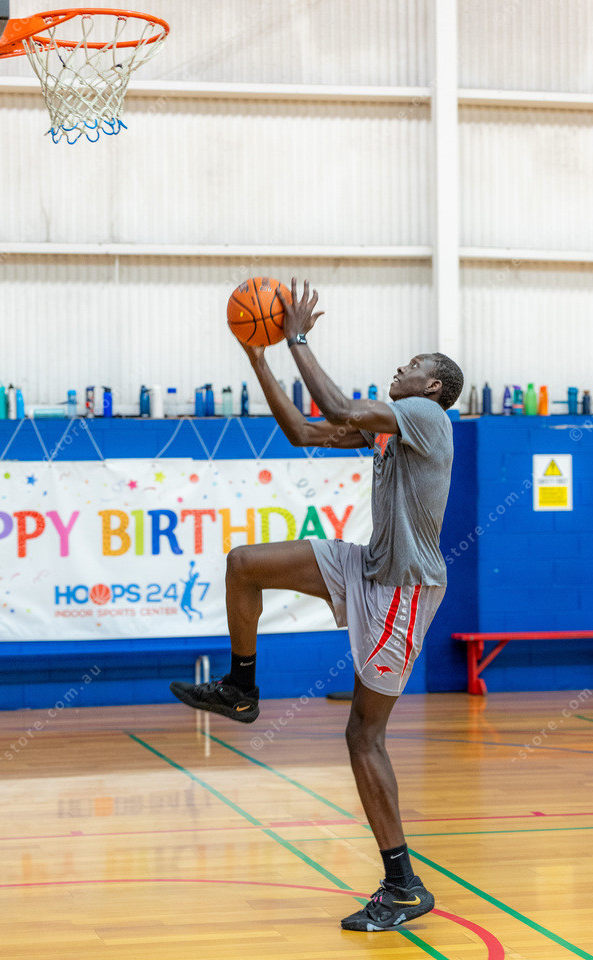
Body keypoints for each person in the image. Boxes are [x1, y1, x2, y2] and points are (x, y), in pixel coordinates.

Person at [171, 278, 464, 932]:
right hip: (368, 565)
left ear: (433, 386)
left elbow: (336, 403)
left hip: (403, 590)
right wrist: (258, 358)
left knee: (364, 736)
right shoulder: (390, 432)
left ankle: (403, 886)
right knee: (244, 564)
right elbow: (304, 430)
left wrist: (296, 337)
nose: (400, 368)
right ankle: (241, 688)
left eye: (412, 365)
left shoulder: (428, 418)